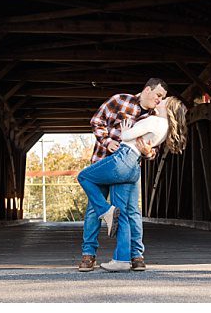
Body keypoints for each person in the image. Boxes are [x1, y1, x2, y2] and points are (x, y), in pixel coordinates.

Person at [77, 95, 189, 273]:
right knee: (122, 213)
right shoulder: (123, 102)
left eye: (163, 99)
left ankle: (106, 212)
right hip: (127, 164)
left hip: (122, 160)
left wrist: (127, 132)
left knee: (83, 177)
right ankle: (120, 259)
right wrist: (109, 141)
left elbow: (128, 137)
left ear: (168, 110)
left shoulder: (152, 119)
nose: (159, 100)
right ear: (147, 90)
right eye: (158, 95)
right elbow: (97, 121)